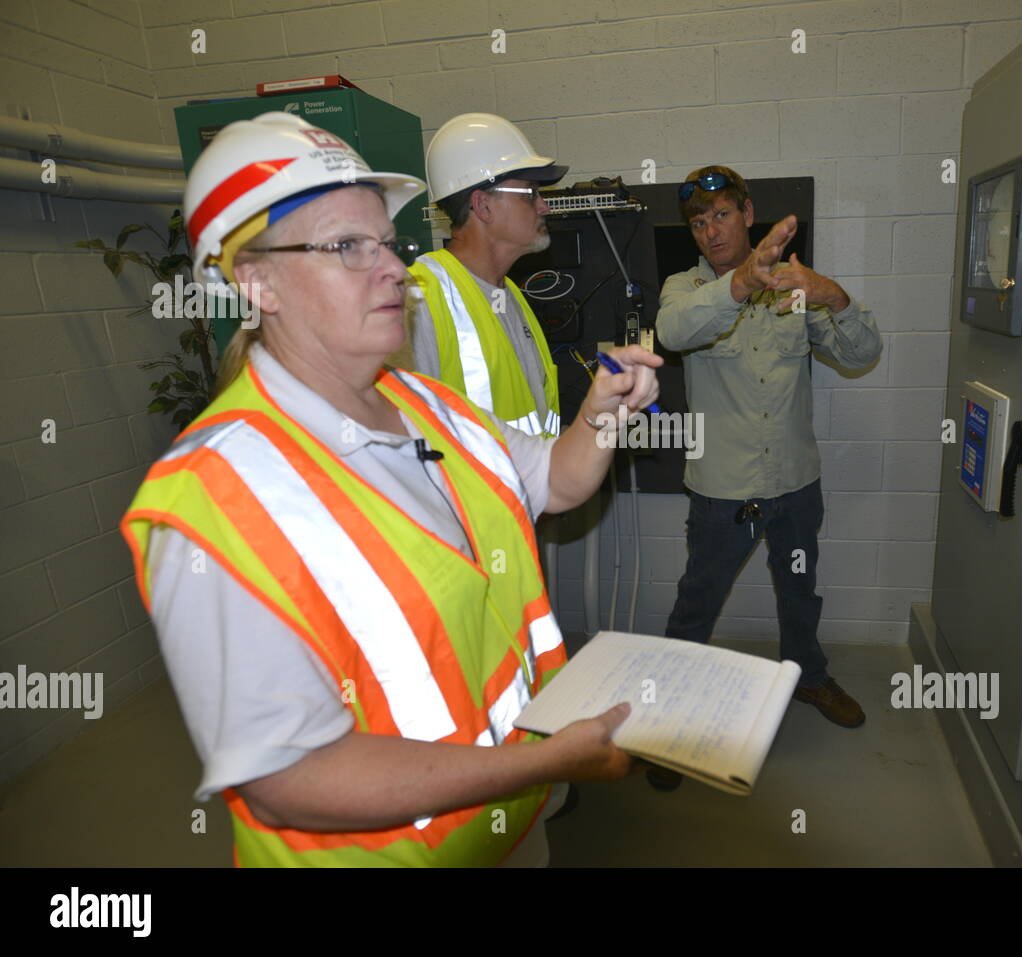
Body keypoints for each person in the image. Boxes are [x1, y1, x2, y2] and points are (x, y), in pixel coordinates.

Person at [119, 112, 662, 866]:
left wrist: (601, 417)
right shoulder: (215, 499)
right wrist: (542, 761)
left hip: (507, 829)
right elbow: (291, 775)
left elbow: (556, 481)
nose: (395, 270)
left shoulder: (426, 405)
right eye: (346, 246)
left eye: (387, 242)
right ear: (255, 281)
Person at [651, 166, 882, 789]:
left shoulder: (793, 287)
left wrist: (833, 294)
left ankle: (808, 677)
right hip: (721, 494)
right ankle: (669, 713)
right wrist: (737, 285)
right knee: (697, 602)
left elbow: (860, 353)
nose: (710, 232)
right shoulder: (685, 288)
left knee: (799, 592)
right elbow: (672, 333)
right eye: (698, 223)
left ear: (746, 213)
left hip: (794, 487)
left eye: (721, 215)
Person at [406, 112, 565, 437]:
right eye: (531, 192)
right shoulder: (420, 294)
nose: (544, 206)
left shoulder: (509, 294)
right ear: (483, 205)